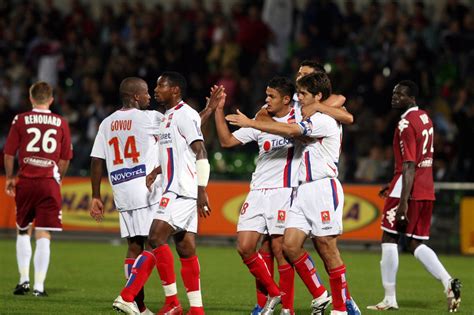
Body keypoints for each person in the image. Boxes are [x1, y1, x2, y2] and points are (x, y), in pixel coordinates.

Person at [226, 72, 358, 315]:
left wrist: (252, 123)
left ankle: (341, 308)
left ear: (317, 97)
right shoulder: (310, 112)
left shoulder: (323, 120)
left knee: (328, 248)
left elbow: (291, 131)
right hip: (301, 189)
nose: (299, 98)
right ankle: (320, 293)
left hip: (322, 187)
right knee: (289, 245)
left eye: (304, 94)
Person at [112, 72, 212, 315]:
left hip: (182, 190)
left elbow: (201, 152)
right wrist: (156, 170)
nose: (156, 90)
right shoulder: (168, 116)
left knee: (155, 237)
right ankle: (196, 310)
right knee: (186, 248)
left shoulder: (185, 114)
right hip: (173, 186)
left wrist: (201, 191)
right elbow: (176, 153)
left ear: (175, 89)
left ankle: (136, 297)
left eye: (160, 86)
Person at [215, 76, 308, 315]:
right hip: (257, 191)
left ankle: (286, 309)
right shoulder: (259, 121)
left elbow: (296, 132)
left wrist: (254, 123)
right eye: (266, 95)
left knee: (279, 250)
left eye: (272, 96)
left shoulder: (297, 121)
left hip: (283, 191)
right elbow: (226, 141)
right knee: (245, 246)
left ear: (287, 99)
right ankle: (274, 295)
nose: (266, 100)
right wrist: (218, 109)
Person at [367, 80, 461, 312]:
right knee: (414, 242)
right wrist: (392, 184)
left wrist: (402, 204)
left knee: (389, 239)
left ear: (411, 98)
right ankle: (448, 282)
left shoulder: (405, 124)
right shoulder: (425, 117)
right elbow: (418, 160)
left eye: (399, 94)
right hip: (426, 188)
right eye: (394, 93)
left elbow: (409, 165)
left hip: (408, 190)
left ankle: (389, 298)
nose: (394, 97)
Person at [89, 77, 162, 315]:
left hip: (121, 188)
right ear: (135, 97)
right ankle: (127, 296)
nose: (150, 97)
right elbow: (182, 125)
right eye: (146, 93)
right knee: (155, 243)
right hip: (144, 188)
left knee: (134, 246)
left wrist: (96, 196)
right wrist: (208, 110)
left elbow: (97, 160)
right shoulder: (149, 118)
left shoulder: (107, 123)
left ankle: (139, 307)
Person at [4, 81, 73, 297]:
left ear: (31, 97)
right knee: (44, 233)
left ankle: (23, 280)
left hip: (25, 180)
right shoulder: (61, 122)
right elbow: (65, 157)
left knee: (23, 229)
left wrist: (9, 177)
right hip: (48, 182)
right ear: (51, 99)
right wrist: (57, 178)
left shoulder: (21, 119)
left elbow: (8, 152)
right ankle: (39, 287)